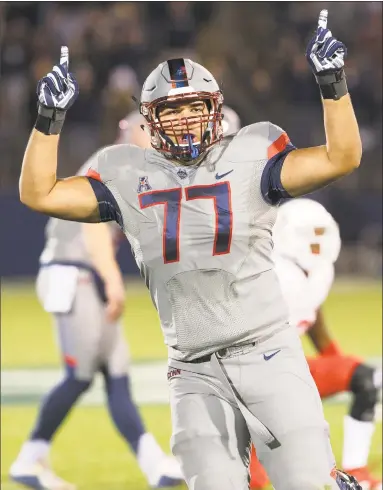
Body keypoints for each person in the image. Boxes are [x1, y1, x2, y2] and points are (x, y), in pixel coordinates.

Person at [19, 9, 363, 490]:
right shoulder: (127, 173)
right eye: (172, 110)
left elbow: (342, 155)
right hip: (193, 369)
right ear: (151, 119)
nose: (184, 119)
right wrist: (49, 119)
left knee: (305, 483)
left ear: (216, 108)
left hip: (267, 353)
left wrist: (333, 84)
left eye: (194, 106)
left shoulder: (251, 153)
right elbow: (40, 193)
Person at [10, 112, 183, 490]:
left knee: (117, 375)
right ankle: (29, 459)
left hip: (87, 277)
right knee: (80, 376)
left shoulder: (133, 167)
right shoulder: (118, 162)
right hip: (75, 274)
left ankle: (156, 467)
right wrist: (112, 280)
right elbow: (94, 232)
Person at [249, 199, 382, 490]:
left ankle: (356, 471)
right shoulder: (267, 273)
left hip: (290, 372)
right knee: (253, 482)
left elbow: (312, 312)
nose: (316, 244)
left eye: (320, 234)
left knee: (365, 378)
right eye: (308, 235)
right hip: (251, 384)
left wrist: (334, 359)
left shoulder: (318, 270)